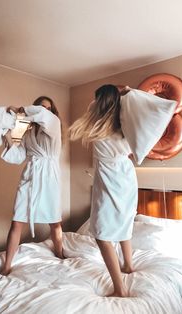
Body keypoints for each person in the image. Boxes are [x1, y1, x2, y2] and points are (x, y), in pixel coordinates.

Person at [69, 85, 138, 297]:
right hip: (127, 176)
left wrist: (114, 93)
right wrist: (125, 93)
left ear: (99, 102)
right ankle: (128, 265)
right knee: (125, 221)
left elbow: (76, 128)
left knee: (101, 234)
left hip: (110, 180)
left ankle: (120, 289)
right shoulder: (127, 125)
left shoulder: (96, 125)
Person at [0, 96, 64, 276]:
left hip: (49, 177)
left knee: (54, 222)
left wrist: (20, 109)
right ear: (34, 108)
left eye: (48, 108)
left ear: (51, 112)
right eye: (41, 107)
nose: (45, 110)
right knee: (17, 221)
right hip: (30, 175)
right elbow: (19, 156)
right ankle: (7, 265)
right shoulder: (25, 130)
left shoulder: (54, 125)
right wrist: (8, 137)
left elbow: (42, 116)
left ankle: (59, 253)